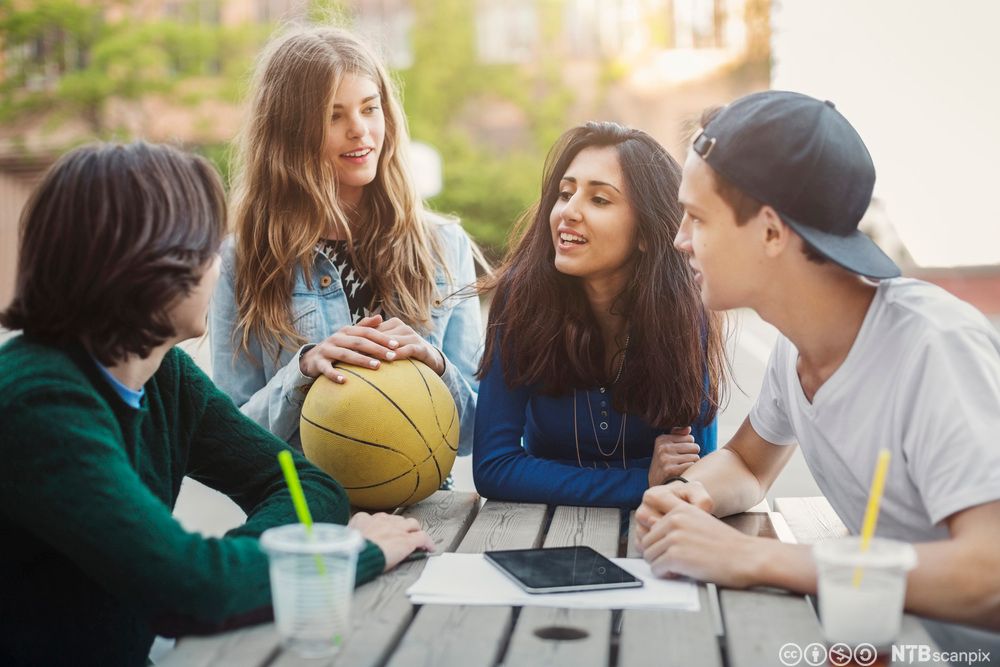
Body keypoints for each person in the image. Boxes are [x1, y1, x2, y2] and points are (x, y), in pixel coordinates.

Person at [0, 142, 435, 667]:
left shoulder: (162, 373)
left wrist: (235, 568)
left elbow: (303, 485)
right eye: (207, 247)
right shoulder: (39, 402)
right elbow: (189, 590)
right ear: (153, 262)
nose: (217, 265)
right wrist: (337, 555)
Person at [635, 91, 1000, 653]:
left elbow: (989, 576)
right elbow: (749, 464)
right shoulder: (795, 344)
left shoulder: (936, 348)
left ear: (772, 233)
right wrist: (691, 494)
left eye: (697, 217)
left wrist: (752, 556)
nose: (679, 239)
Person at [210, 27, 482, 460]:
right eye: (334, 116)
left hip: (429, 511)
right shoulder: (246, 259)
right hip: (307, 510)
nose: (360, 130)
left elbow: (474, 435)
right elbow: (226, 445)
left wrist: (435, 366)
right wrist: (301, 372)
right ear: (290, 133)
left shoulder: (443, 246)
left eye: (369, 109)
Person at [473, 122, 726, 508]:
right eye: (565, 193)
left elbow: (692, 478)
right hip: (535, 532)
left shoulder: (684, 310)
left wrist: (545, 474)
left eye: (599, 200)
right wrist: (641, 481)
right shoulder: (521, 299)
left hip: (652, 533)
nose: (568, 212)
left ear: (644, 232)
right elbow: (494, 467)